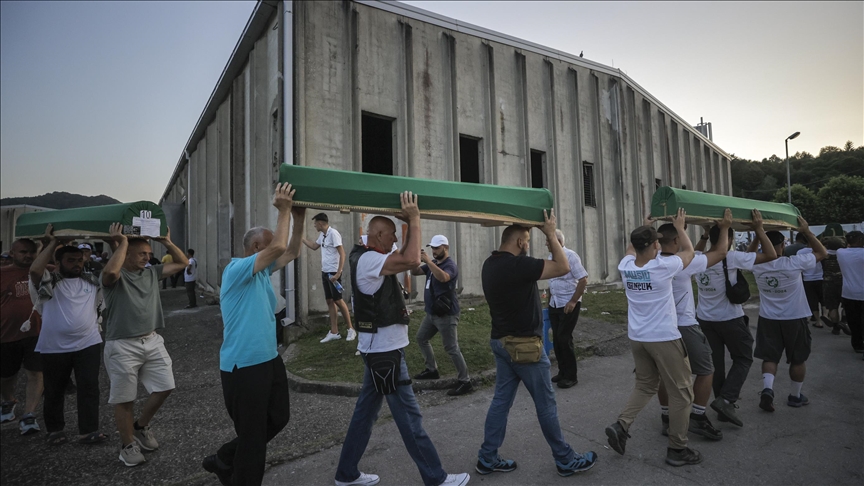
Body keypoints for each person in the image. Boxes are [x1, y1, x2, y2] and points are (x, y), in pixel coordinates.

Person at [335, 192, 469, 486]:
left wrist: (408, 227)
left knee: (364, 416)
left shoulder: (368, 256)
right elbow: (410, 260)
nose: (395, 240)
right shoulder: (370, 259)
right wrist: (415, 217)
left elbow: (406, 259)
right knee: (410, 419)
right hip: (385, 353)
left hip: (379, 350)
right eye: (392, 235)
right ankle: (436, 478)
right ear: (378, 234)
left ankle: (346, 474)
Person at [478, 210, 597, 477]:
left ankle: (487, 457)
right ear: (520, 242)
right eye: (528, 241)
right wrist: (550, 233)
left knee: (500, 402)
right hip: (524, 347)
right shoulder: (520, 265)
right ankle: (565, 459)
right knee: (546, 404)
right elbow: (564, 266)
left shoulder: (490, 263)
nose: (529, 246)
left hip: (501, 342)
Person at [202, 183, 305, 486]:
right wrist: (283, 211)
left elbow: (292, 250)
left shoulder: (262, 271)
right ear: (257, 249)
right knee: (253, 441)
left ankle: (223, 458)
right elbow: (278, 247)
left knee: (278, 418)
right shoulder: (235, 271)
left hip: (269, 360)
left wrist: (298, 218)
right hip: (243, 367)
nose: (278, 247)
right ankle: (235, 472)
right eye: (272, 244)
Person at [605, 208, 702, 467]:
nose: (660, 244)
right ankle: (677, 449)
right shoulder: (663, 266)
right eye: (657, 241)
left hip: (638, 338)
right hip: (664, 338)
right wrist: (681, 227)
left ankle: (622, 425)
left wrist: (641, 227)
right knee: (682, 394)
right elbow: (690, 253)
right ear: (654, 245)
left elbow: (630, 250)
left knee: (645, 385)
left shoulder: (626, 266)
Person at [102, 224, 188, 466]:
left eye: (150, 254)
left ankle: (140, 427)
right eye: (143, 254)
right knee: (125, 398)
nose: (148, 257)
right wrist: (122, 242)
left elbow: (182, 264)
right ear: (127, 253)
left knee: (165, 387)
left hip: (151, 339)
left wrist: (168, 242)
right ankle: (127, 445)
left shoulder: (151, 273)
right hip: (122, 345)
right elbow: (109, 274)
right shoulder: (114, 277)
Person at [693, 209, 777, 427]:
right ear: (729, 239)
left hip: (705, 319)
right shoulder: (730, 257)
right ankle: (727, 399)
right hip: (730, 319)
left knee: (717, 364)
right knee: (743, 357)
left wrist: (706, 234)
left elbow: (693, 251)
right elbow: (770, 255)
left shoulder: (698, 259)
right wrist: (759, 229)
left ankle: (722, 406)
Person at [655, 209, 732, 441]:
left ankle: (667, 418)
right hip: (685, 325)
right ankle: (698, 417)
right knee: (707, 369)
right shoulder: (684, 264)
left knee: (665, 375)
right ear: (677, 240)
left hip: (661, 328)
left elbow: (691, 253)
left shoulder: (652, 261)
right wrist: (726, 227)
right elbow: (720, 253)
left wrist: (704, 236)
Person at [30, 225, 107, 446]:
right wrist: (53, 242)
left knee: (89, 387)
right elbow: (35, 271)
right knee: (54, 390)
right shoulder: (50, 282)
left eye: (80, 260)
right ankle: (55, 430)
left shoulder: (92, 281)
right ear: (59, 262)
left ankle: (89, 431)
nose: (77, 264)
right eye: (71, 260)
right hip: (54, 346)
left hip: (89, 342)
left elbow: (111, 272)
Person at [750, 218, 826, 411]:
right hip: (795, 317)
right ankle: (795, 395)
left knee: (770, 357)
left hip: (769, 318)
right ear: (783, 245)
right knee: (798, 358)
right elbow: (822, 252)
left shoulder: (757, 265)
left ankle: (768, 390)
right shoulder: (793, 262)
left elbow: (748, 255)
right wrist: (807, 231)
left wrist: (759, 234)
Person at [410, 234, 471, 396]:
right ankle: (432, 369)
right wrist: (415, 257)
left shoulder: (450, 265)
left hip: (446, 314)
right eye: (433, 248)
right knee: (421, 338)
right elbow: (415, 271)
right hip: (431, 313)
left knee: (451, 347)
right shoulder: (434, 263)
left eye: (437, 248)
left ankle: (465, 381)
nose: (434, 251)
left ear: (446, 248)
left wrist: (429, 261)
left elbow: (444, 278)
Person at [0, 239, 43, 435]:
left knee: (35, 373)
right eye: (23, 252)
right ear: (12, 253)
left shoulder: (43, 270)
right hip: (7, 334)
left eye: (32, 253)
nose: (28, 256)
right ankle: (8, 401)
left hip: (36, 332)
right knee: (7, 375)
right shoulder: (3, 273)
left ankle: (29, 414)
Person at [301, 213, 355, 343]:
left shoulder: (333, 234)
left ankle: (351, 329)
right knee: (330, 301)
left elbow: (342, 253)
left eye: (315, 223)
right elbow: (314, 246)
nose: (314, 226)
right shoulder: (323, 235)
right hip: (325, 272)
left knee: (338, 300)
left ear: (320, 223)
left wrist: (338, 273)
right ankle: (334, 331)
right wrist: (301, 239)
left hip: (333, 273)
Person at [544, 229, 588, 389]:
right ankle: (562, 372)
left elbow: (583, 280)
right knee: (557, 339)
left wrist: (573, 301)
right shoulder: (551, 257)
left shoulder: (571, 256)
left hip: (569, 304)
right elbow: (552, 282)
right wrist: (549, 301)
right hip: (555, 303)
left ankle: (571, 376)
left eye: (549, 241)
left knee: (564, 338)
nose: (546, 243)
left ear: (558, 241)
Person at [836, 231, 864, 355]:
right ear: (860, 240)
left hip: (848, 293)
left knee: (854, 320)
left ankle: (857, 344)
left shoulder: (840, 253)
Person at [820, 236, 851, 335]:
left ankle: (836, 327)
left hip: (828, 282)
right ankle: (844, 321)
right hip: (843, 281)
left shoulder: (824, 256)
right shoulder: (844, 255)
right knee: (846, 304)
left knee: (832, 306)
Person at [797, 241, 824, 327]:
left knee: (813, 300)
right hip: (820, 277)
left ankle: (818, 321)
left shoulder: (800, 252)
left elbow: (799, 265)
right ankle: (825, 315)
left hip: (807, 278)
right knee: (823, 299)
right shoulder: (820, 251)